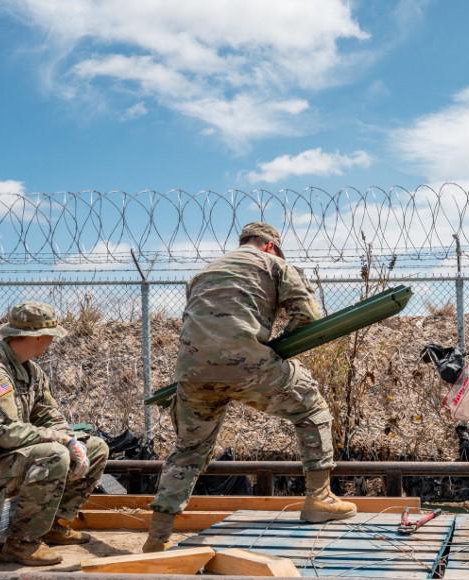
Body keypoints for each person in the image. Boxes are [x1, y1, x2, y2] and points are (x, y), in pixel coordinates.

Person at [143, 222, 355, 553]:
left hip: (192, 372)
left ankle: (157, 535)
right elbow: (309, 315)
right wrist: (282, 344)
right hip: (248, 365)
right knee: (311, 407)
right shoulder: (275, 265)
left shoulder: (203, 274)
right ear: (270, 246)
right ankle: (320, 498)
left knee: (189, 449)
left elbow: (205, 324)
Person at [0, 302, 109, 566]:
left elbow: (48, 414)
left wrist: (73, 440)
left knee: (95, 448)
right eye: (50, 337)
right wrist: (61, 440)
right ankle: (21, 544)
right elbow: (3, 431)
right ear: (37, 337)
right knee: (52, 455)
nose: (51, 342)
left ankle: (54, 524)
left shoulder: (30, 370)